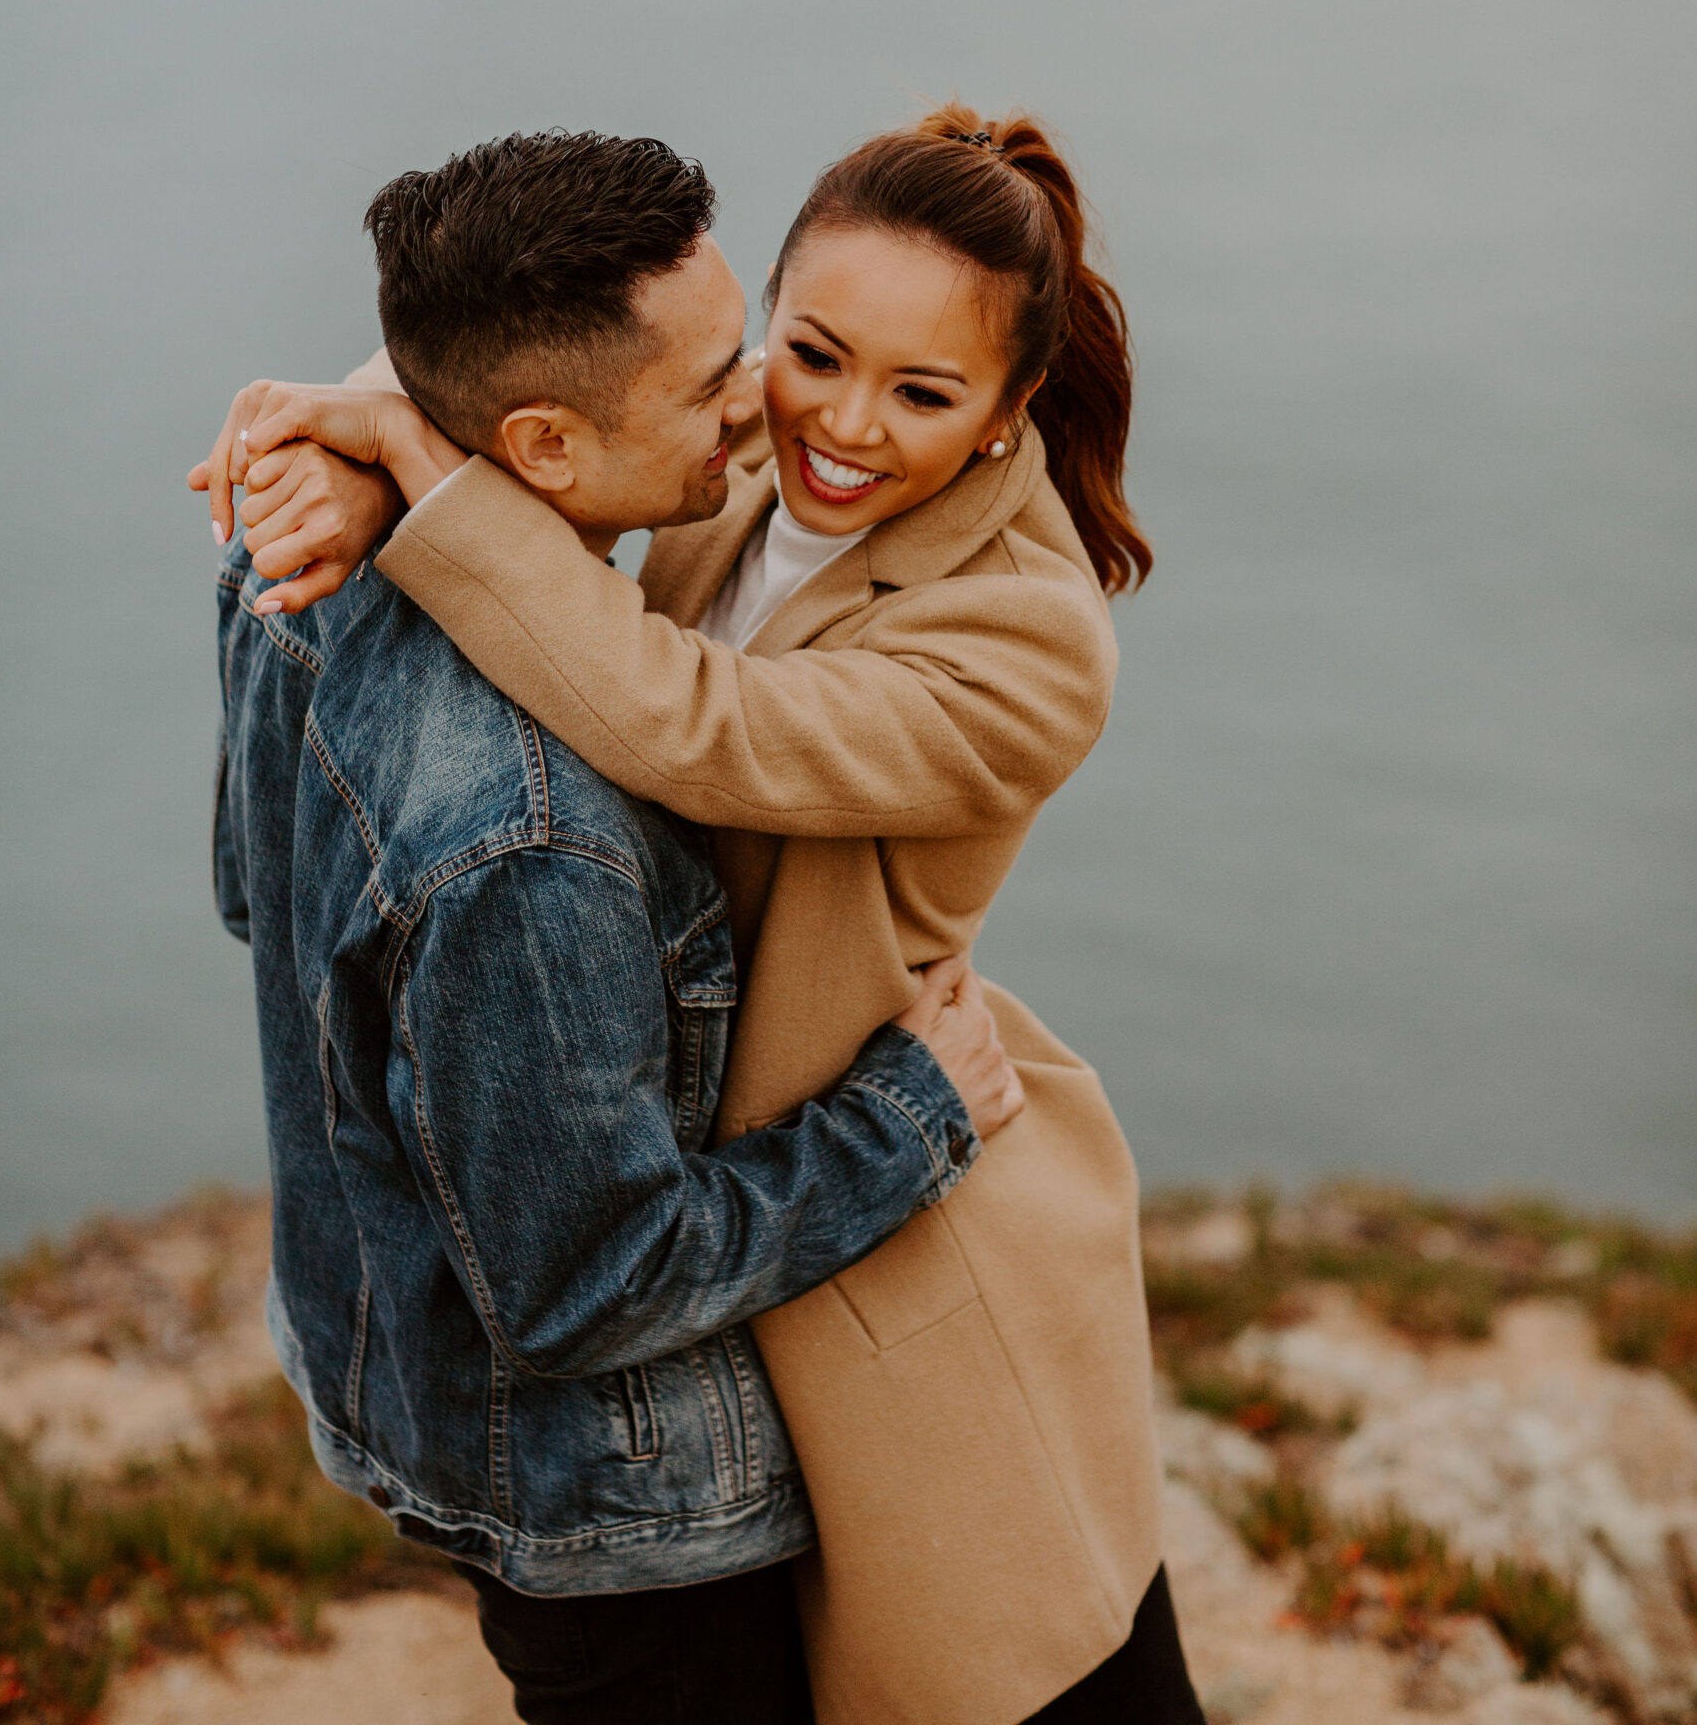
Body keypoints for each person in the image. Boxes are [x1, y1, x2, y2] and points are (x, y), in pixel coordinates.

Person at [199, 107, 1206, 1725]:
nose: (838, 425)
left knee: (1041, 1677)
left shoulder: (1032, 638)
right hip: (689, 1196)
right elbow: (540, 360)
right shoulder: (731, 448)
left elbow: (694, 730)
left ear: (1016, 408)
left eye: (927, 393)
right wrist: (354, 429)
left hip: (895, 1220)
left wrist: (403, 471)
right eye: (807, 349)